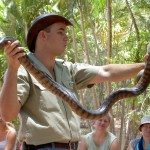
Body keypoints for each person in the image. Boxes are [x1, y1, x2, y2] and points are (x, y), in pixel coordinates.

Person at [0, 13, 148, 150]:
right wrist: (12, 68)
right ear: (43, 35)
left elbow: (106, 72)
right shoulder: (21, 69)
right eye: (60, 32)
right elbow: (7, 115)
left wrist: (145, 66)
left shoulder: (68, 69)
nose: (66, 37)